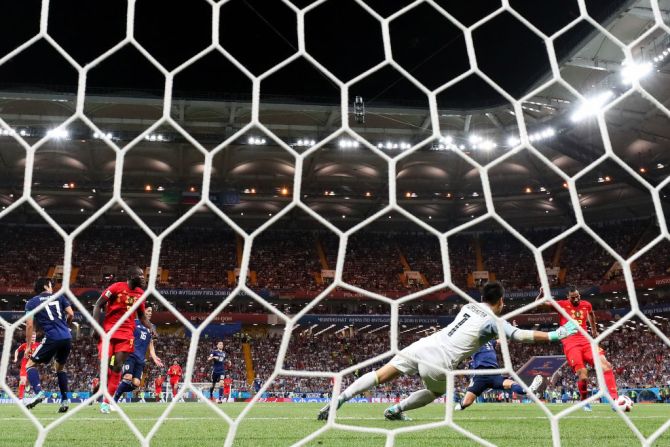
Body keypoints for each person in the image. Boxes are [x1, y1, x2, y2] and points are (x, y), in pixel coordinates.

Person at [318, 281, 578, 421]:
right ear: (500, 301)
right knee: (435, 391)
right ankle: (395, 411)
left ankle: (341, 397)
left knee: (381, 375)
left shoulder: (469, 306)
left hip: (423, 345)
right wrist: (556, 334)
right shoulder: (494, 320)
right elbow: (518, 334)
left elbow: (492, 318)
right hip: (440, 360)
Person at [536, 285, 619, 411]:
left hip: (586, 341)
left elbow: (591, 314)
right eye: (573, 297)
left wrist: (594, 331)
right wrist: (541, 294)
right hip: (571, 343)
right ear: (568, 297)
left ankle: (615, 399)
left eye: (578, 296)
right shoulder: (561, 304)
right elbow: (538, 305)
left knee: (606, 365)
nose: (576, 299)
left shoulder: (586, 304)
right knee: (583, 374)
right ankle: (584, 400)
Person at [92, 266, 152, 414]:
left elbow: (142, 316)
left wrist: (151, 327)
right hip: (108, 332)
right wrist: (95, 327)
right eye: (141, 276)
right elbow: (98, 304)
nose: (144, 278)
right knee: (105, 366)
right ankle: (100, 383)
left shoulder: (140, 294)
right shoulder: (116, 287)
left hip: (126, 334)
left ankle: (106, 403)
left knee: (118, 367)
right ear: (132, 276)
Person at [23, 278, 74, 413]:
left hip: (52, 337)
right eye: (51, 285)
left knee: (29, 365)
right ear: (46, 286)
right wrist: (66, 326)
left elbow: (29, 325)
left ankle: (39, 392)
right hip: (67, 337)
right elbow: (71, 313)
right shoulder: (60, 297)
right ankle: (64, 400)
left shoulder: (31, 303)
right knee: (60, 369)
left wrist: (28, 346)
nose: (53, 288)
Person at [454, 340, 544, 411]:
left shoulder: (490, 342)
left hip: (494, 374)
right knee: (467, 402)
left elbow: (501, 340)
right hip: (480, 375)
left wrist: (511, 332)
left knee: (510, 383)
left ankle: (527, 390)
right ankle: (462, 404)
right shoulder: (473, 342)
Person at [113, 306, 163, 403]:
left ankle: (117, 391)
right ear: (142, 311)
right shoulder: (134, 322)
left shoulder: (152, 327)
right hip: (130, 355)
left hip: (141, 359)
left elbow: (150, 343)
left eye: (151, 311)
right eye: (148, 311)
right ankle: (114, 400)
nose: (150, 313)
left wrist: (154, 356)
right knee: (128, 377)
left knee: (136, 383)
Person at [13, 333, 40, 401]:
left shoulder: (38, 345)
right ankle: (21, 399)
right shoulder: (25, 345)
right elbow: (17, 350)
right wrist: (16, 358)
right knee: (22, 381)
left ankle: (28, 384)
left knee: (29, 380)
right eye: (32, 337)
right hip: (24, 364)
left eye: (34, 337)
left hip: (33, 365)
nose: (33, 338)